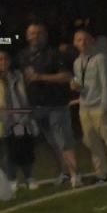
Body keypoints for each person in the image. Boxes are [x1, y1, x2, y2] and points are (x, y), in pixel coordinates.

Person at [20, 23, 80, 186]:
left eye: (38, 33)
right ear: (27, 36)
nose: (35, 36)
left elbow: (66, 76)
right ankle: (65, 172)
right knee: (53, 143)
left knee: (63, 140)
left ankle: (75, 175)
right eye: (32, 33)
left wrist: (40, 77)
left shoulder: (54, 54)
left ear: (45, 36)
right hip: (37, 107)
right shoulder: (24, 56)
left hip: (56, 104)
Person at [69, 28, 107, 186]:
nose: (83, 42)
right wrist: (75, 85)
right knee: (92, 143)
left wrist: (105, 106)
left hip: (98, 107)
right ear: (75, 43)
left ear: (92, 41)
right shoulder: (77, 62)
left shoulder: (100, 59)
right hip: (84, 108)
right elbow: (82, 84)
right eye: (79, 40)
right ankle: (101, 173)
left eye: (86, 39)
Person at [0, 49, 37, 189]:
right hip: (5, 122)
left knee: (25, 149)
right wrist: (3, 117)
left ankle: (29, 178)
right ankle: (12, 180)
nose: (3, 62)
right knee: (10, 152)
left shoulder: (17, 75)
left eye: (5, 59)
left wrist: (25, 115)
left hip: (21, 120)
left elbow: (25, 95)